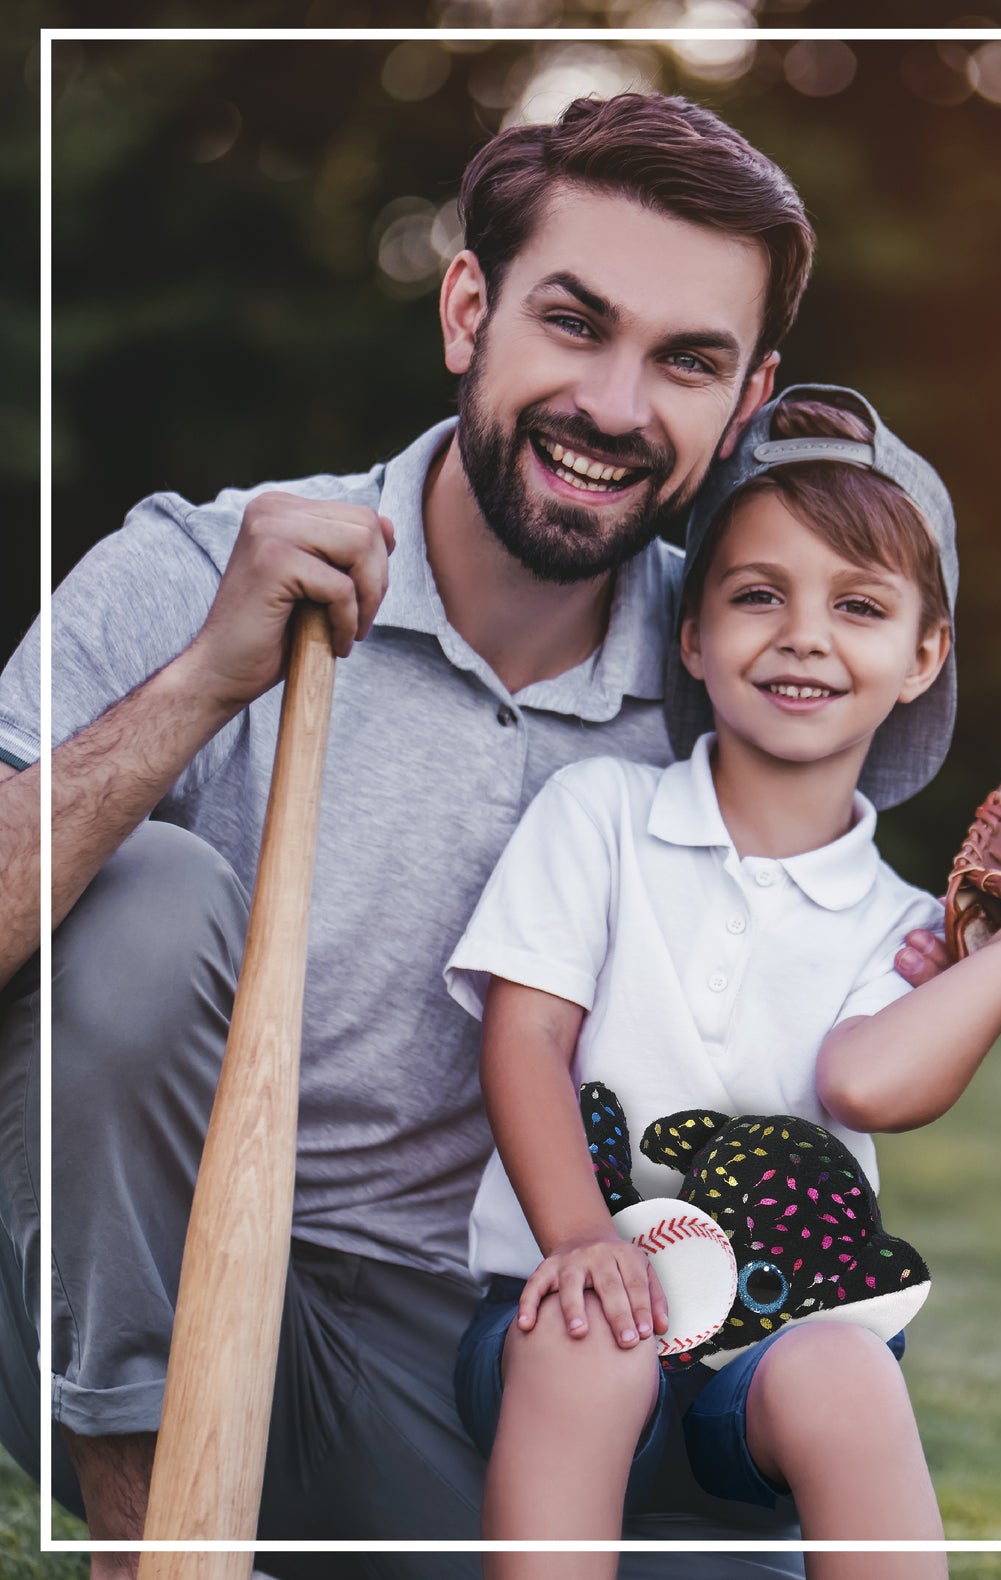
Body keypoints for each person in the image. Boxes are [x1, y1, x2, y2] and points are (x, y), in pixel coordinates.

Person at [0, 93, 946, 1576]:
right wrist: (200, 683)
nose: (618, 407)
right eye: (574, 323)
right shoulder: (198, 566)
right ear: (466, 308)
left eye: (686, 361)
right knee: (146, 904)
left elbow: (865, 925)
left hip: (479, 1347)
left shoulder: (740, 664)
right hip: (127, 1289)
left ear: (747, 397)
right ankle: (163, 1553)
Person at [444, 387, 1001, 1579]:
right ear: (691, 631)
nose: (804, 634)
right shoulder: (601, 816)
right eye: (757, 593)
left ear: (922, 652)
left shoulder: (903, 928)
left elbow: (868, 1082)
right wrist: (581, 1239)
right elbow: (522, 1041)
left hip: (761, 1375)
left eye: (861, 605)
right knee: (589, 1333)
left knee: (844, 1367)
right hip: (554, 1332)